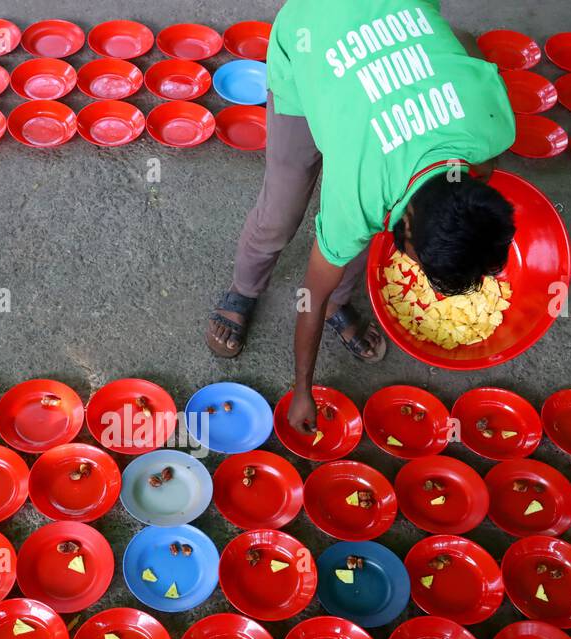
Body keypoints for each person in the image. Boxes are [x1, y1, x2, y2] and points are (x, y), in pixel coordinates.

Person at [205, 1, 518, 433]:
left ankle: (342, 299)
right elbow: (308, 296)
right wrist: (302, 391)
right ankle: (243, 290)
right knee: (283, 205)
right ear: (406, 224)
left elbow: (463, 42)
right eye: (418, 259)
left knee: (355, 238)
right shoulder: (358, 196)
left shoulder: (491, 129)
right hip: (311, 32)